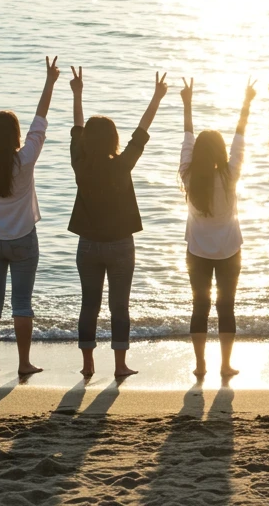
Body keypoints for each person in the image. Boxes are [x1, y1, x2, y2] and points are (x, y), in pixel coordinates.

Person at [68, 67, 167, 378]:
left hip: (88, 245)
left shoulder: (79, 163)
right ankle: (121, 366)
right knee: (119, 307)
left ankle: (87, 366)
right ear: (113, 139)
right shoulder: (123, 164)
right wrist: (157, 97)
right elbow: (142, 131)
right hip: (121, 245)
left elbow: (76, 128)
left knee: (89, 306)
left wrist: (77, 93)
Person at [0, 56, 60, 376]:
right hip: (22, 242)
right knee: (22, 304)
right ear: (17, 135)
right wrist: (50, 81)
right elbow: (41, 119)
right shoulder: (27, 158)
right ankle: (23, 363)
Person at [179, 77, 254, 378]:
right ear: (221, 153)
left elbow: (187, 138)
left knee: (200, 306)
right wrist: (247, 102)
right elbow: (240, 137)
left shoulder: (188, 176)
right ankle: (225, 365)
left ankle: (200, 365)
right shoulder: (230, 174)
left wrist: (187, 103)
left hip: (196, 251)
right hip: (229, 251)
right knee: (226, 307)